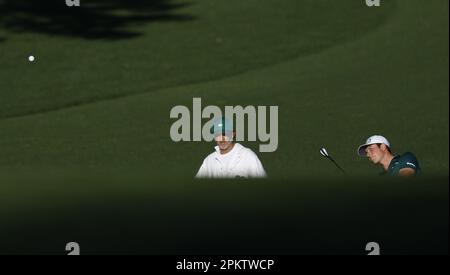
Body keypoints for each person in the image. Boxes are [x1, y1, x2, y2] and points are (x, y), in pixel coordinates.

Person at [196, 118, 267, 178]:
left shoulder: (248, 156)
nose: (222, 138)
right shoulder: (209, 161)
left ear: (233, 134)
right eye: (218, 134)